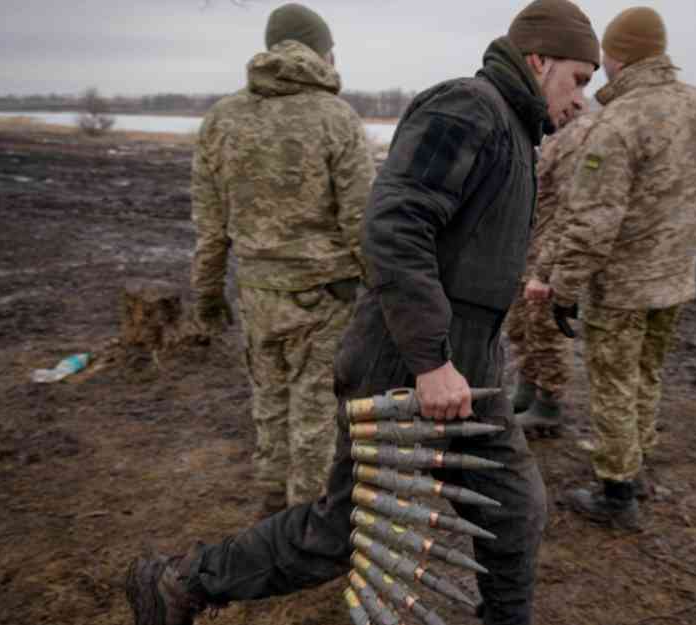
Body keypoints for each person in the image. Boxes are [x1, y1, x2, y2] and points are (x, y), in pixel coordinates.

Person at [125, 2, 599, 625]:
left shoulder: (512, 126)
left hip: (468, 364)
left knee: (514, 507)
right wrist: (432, 360)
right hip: (406, 359)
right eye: (578, 80)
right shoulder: (466, 107)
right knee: (342, 532)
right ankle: (182, 583)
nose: (582, 99)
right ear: (538, 62)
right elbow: (395, 226)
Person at [536, 7, 696, 529]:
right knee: (646, 373)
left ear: (616, 57)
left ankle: (618, 493)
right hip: (674, 279)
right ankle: (634, 463)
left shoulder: (619, 121)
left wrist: (565, 288)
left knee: (615, 381)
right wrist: (679, 250)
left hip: (621, 286)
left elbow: (594, 219)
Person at [190, 3, 375, 516]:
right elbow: (363, 224)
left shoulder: (221, 120)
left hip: (255, 291)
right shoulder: (337, 118)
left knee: (269, 399)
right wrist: (385, 290)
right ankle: (306, 522)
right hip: (324, 294)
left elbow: (209, 227)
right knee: (314, 408)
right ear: (322, 51)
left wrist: (207, 296)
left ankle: (273, 503)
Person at [508, 109, 594, 435]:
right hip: (529, 249)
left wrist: (551, 267)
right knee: (520, 326)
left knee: (546, 330)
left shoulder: (578, 136)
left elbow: (573, 209)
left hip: (550, 252)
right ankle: (526, 391)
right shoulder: (549, 132)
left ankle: (548, 405)